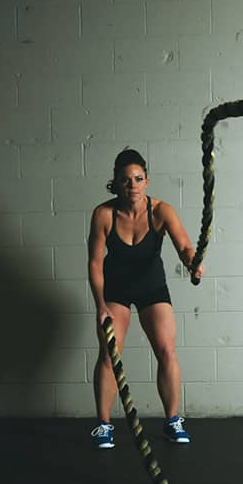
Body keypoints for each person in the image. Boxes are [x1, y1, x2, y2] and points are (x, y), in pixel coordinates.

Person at [87, 148, 204, 448]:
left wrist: (193, 262)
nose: (133, 185)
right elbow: (96, 263)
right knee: (109, 354)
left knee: (167, 350)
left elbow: (184, 246)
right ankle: (103, 425)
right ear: (116, 182)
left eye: (138, 179)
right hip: (116, 291)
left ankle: (172, 420)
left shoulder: (161, 211)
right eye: (126, 180)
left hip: (152, 288)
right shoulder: (103, 214)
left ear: (147, 182)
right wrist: (100, 305)